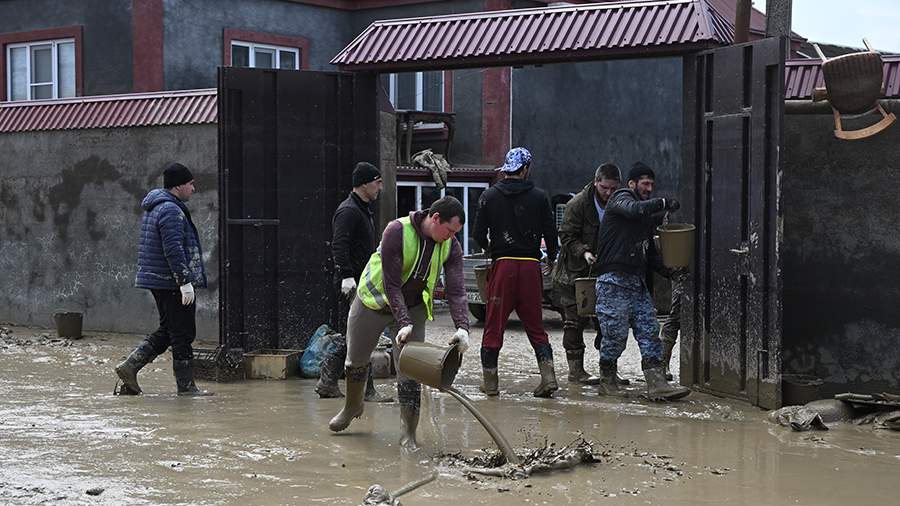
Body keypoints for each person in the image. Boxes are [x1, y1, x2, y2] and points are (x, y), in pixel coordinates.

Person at [328, 196, 470, 451]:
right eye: (449, 231)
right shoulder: (396, 231)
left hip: (413, 306)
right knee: (355, 360)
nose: (451, 237)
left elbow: (456, 290)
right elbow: (391, 284)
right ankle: (352, 407)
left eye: (455, 233)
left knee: (411, 369)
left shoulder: (451, 246)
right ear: (436, 218)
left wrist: (462, 327)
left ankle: (408, 433)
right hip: (374, 301)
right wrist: (402, 322)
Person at [593, 162, 690, 401]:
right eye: (645, 184)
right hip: (613, 282)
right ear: (631, 184)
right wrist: (663, 203)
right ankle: (607, 380)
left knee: (649, 331)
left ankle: (657, 383)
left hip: (636, 283)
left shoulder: (644, 219)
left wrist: (672, 273)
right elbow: (633, 209)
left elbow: (650, 256)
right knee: (615, 335)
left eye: (652, 185)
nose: (649, 188)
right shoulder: (620, 199)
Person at [115, 163, 212, 396]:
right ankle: (186, 388)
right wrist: (184, 282)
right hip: (170, 282)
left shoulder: (158, 206)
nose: (194, 189)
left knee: (170, 330)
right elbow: (173, 249)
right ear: (179, 186)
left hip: (161, 280)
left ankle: (130, 366)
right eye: (190, 184)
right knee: (182, 334)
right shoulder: (170, 210)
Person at [473, 147, 560, 398]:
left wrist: (491, 248)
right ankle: (548, 377)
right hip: (530, 267)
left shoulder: (489, 196)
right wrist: (551, 257)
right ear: (526, 169)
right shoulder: (540, 197)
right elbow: (550, 233)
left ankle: (491, 383)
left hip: (503, 267)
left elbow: (478, 234)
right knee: (535, 326)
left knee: (494, 325)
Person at [315, 162, 392, 403]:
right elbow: (339, 244)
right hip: (351, 283)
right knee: (360, 336)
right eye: (377, 182)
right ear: (364, 184)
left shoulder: (362, 209)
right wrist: (346, 275)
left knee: (354, 336)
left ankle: (328, 383)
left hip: (363, 281)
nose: (380, 187)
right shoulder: (348, 211)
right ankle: (364, 391)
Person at [552, 163, 628, 386]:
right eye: (605, 188)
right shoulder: (578, 204)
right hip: (574, 274)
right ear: (596, 182)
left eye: (613, 189)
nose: (609, 193)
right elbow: (566, 235)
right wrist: (583, 251)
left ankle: (608, 370)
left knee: (609, 323)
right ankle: (576, 371)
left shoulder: (620, 203)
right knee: (574, 323)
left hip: (606, 273)